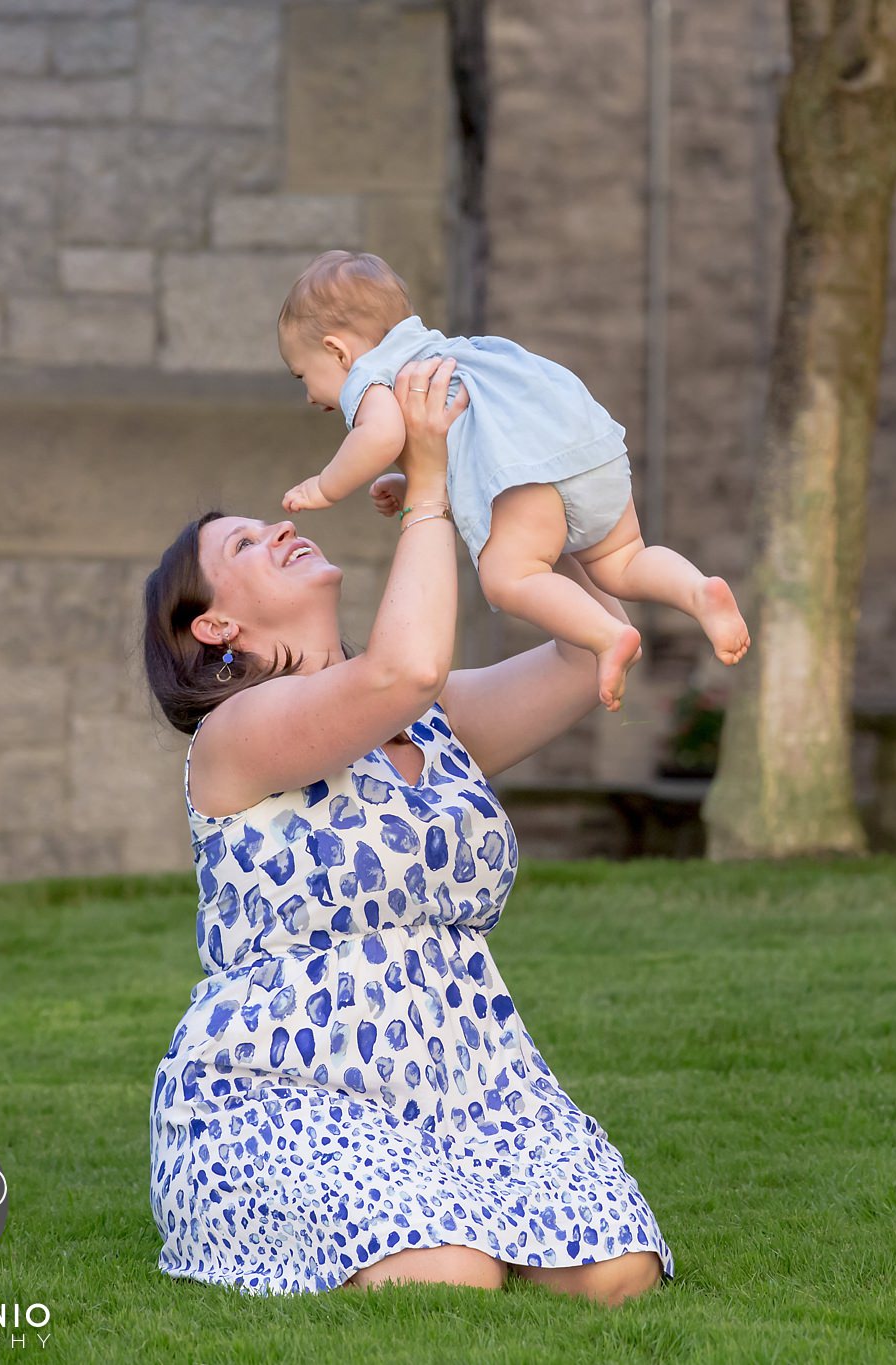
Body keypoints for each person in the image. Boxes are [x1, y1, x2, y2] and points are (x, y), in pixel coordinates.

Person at [141, 357, 669, 1301]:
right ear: (216, 624)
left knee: (617, 1275)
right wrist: (425, 490)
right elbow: (404, 667)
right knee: (448, 1276)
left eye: (275, 522)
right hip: (285, 1091)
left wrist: (500, 489)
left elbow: (590, 642)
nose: (287, 528)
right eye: (252, 543)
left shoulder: (430, 715)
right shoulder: (238, 736)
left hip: (473, 1080)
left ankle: (461, 1199)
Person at [274, 250, 750, 712]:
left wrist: (325, 485)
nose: (308, 394)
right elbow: (462, 445)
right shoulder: (445, 352)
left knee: (509, 577)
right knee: (623, 561)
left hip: (528, 476)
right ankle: (697, 591)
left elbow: (379, 435)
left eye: (302, 374)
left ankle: (605, 635)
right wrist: (407, 482)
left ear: (336, 350)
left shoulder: (369, 374)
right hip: (588, 450)